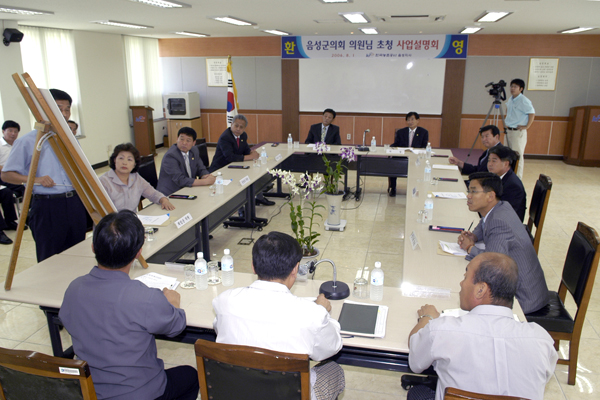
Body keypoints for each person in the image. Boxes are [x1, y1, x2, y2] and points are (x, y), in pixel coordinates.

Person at [59, 210, 199, 400]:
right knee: (191, 376)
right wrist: (174, 304)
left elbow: (67, 321)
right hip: (139, 393)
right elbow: (176, 327)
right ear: (138, 252)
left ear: (93, 247)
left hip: (90, 390)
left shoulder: (73, 288)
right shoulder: (145, 297)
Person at [213, 231, 345, 400]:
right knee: (334, 370)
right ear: (295, 269)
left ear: (253, 266)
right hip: (288, 394)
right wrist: (321, 311)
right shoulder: (311, 314)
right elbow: (332, 347)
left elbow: (219, 329)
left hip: (239, 392)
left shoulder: (225, 301)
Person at [408, 252, 557, 400]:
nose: (461, 283)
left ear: (480, 290)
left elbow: (415, 362)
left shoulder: (442, 330)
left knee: (418, 393)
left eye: (465, 277)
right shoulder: (542, 340)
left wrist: (426, 318)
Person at [1, 89, 88, 262]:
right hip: (47, 206)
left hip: (74, 203)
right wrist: (35, 179)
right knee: (50, 257)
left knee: (77, 252)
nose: (64, 114)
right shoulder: (26, 141)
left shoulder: (71, 139)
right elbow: (6, 175)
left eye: (67, 109)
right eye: (58, 109)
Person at [457, 172, 548, 314]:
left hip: (523, 300)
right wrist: (473, 236)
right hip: (524, 290)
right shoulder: (500, 207)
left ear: (490, 196)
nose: (468, 196)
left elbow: (493, 264)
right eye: (469, 191)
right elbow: (483, 223)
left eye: (473, 192)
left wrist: (470, 247)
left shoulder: (499, 221)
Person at [209, 114, 273, 206]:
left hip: (234, 167)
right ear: (231, 124)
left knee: (254, 174)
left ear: (244, 128)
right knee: (242, 181)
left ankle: (259, 197)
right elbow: (230, 157)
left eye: (241, 127)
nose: (238, 129)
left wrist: (252, 154)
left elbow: (246, 150)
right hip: (221, 170)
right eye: (236, 126)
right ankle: (240, 208)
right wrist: (251, 157)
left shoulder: (243, 136)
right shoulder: (225, 137)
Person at [100, 143, 174, 212]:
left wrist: (164, 200)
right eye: (121, 158)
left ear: (134, 164)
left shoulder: (135, 177)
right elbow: (102, 212)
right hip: (111, 223)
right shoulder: (104, 181)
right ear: (114, 160)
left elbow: (153, 194)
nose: (124, 163)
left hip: (132, 221)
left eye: (129, 159)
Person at [157, 127, 215, 196]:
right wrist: (204, 181)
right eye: (181, 139)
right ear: (177, 139)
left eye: (188, 140)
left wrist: (205, 176)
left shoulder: (194, 150)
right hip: (171, 194)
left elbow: (201, 168)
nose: (184, 143)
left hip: (188, 189)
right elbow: (180, 180)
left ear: (194, 143)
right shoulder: (170, 156)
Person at [388, 111, 429, 197]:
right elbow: (396, 144)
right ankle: (393, 188)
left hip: (416, 158)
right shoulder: (401, 132)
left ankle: (415, 189)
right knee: (392, 164)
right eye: (408, 120)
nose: (410, 122)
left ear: (418, 120)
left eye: (412, 119)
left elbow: (424, 147)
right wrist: (390, 147)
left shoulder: (423, 132)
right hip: (402, 157)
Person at [504, 78, 535, 179]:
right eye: (511, 86)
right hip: (508, 131)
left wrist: (527, 126)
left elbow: (532, 113)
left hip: (518, 132)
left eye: (515, 87)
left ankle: (517, 179)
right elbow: (507, 110)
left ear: (521, 89)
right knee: (507, 155)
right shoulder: (510, 99)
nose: (512, 88)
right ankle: (507, 176)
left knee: (517, 157)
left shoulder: (524, 100)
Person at [487, 145, 526, 221]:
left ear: (506, 164)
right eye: (489, 160)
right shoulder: (498, 176)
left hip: (507, 226)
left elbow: (505, 214)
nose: (490, 164)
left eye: (494, 161)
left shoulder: (513, 186)